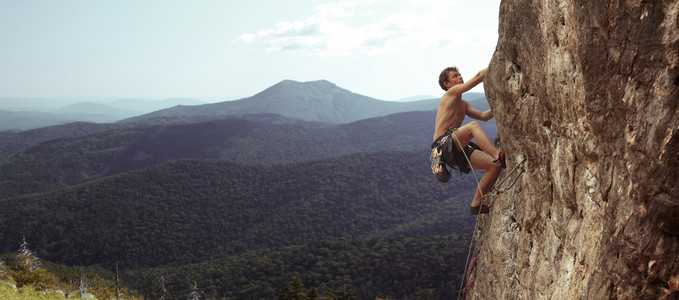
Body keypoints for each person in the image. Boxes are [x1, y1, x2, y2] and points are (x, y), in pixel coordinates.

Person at [430, 66, 505, 215]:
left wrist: (499, 104)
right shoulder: (450, 94)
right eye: (455, 76)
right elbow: (478, 77)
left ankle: (476, 204)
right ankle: (498, 155)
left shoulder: (463, 105)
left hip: (457, 145)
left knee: (494, 167)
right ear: (447, 84)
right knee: (472, 127)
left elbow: (484, 116)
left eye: (460, 75)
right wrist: (494, 64)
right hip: (442, 144)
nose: (460, 78)